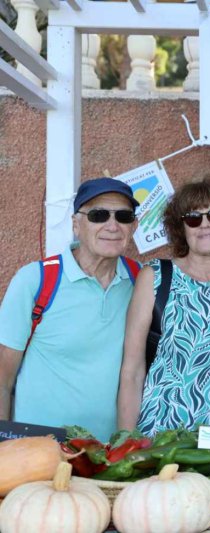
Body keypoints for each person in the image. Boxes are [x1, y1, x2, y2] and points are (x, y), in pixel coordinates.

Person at [0, 178, 139, 441]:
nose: (112, 226)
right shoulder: (36, 280)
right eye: (98, 215)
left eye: (123, 216)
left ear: (134, 226)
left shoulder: (139, 280)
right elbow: (2, 379)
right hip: (41, 449)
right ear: (76, 225)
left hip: (110, 452)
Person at [117, 176, 210, 435]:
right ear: (182, 228)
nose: (205, 224)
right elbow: (132, 370)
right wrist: (126, 442)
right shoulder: (156, 276)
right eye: (193, 218)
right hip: (154, 436)